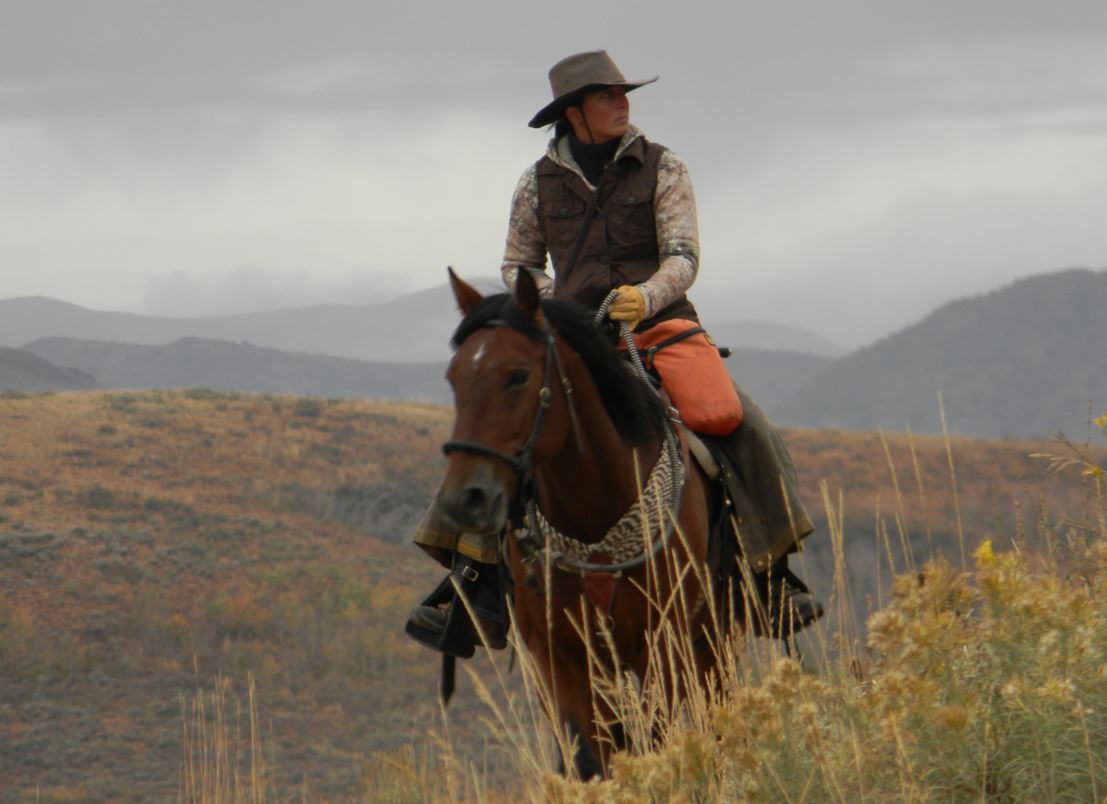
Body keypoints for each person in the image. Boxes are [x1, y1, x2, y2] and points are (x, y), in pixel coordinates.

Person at [407, 50, 822, 655]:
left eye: (623, 93)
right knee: (500, 429)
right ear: (574, 113)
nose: (622, 103)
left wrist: (644, 296)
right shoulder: (534, 183)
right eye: (607, 95)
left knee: (739, 422)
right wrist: (556, 306)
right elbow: (519, 266)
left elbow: (684, 256)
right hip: (572, 335)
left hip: (662, 325)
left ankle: (769, 577)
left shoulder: (665, 166)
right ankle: (475, 584)